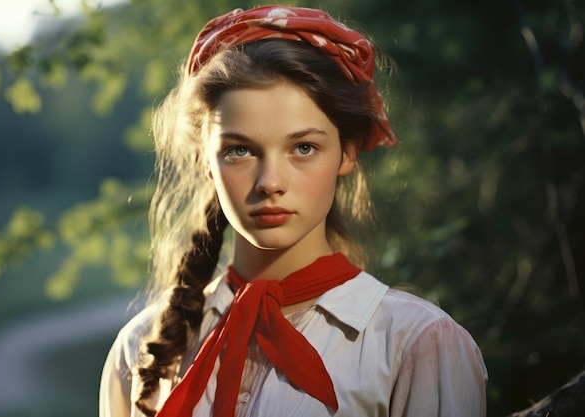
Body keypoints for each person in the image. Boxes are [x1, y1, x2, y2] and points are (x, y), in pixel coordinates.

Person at [99, 5, 488, 417]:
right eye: (239, 150)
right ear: (204, 161)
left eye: (303, 147)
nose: (270, 182)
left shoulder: (416, 344)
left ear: (347, 152)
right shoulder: (141, 349)